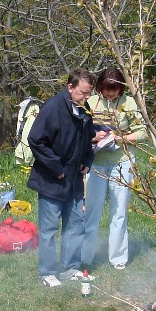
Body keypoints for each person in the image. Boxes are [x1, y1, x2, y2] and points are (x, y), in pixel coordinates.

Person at [27, 68, 99, 294]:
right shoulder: (53, 108)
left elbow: (87, 139)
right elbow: (35, 140)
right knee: (49, 229)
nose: (86, 97)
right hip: (52, 178)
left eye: (89, 93)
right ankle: (47, 272)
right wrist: (55, 166)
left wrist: (87, 159)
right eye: (83, 92)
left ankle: (70, 268)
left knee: (76, 224)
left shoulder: (84, 109)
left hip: (75, 179)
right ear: (70, 87)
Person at [81, 67, 146, 270]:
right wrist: (94, 137)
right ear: (100, 87)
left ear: (121, 88)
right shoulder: (90, 102)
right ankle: (85, 257)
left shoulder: (129, 103)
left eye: (115, 89)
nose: (110, 93)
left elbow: (143, 132)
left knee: (119, 211)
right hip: (97, 162)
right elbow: (80, 130)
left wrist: (120, 138)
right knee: (92, 210)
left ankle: (118, 258)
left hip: (122, 162)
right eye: (107, 89)